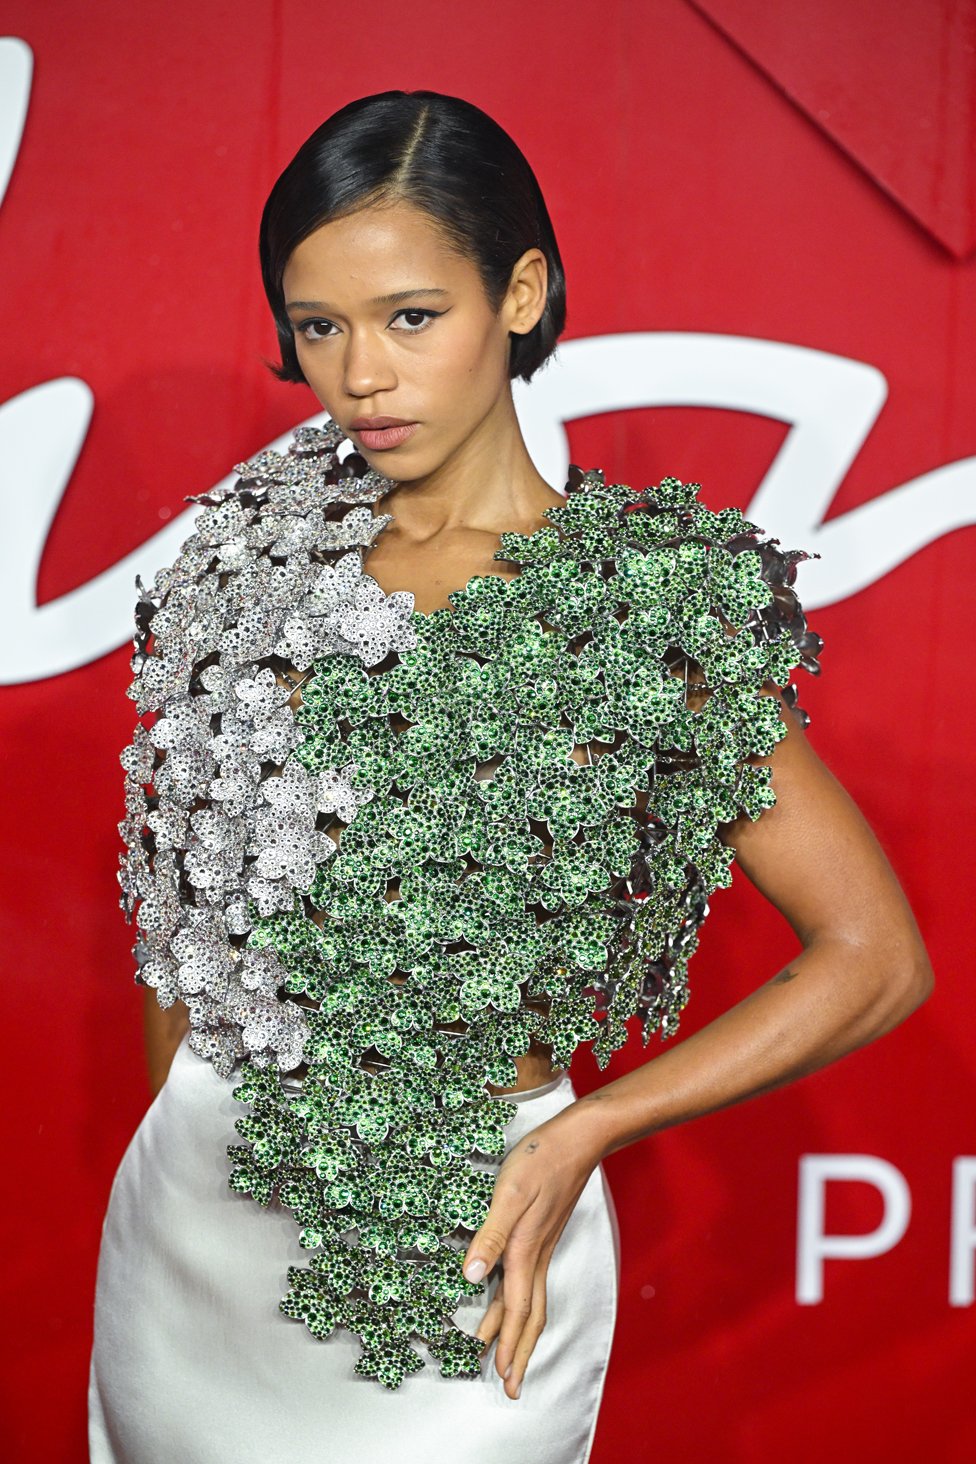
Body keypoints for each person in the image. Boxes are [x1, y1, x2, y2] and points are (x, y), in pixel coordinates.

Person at [87, 90, 933, 1463]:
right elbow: (181, 917)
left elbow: (875, 959)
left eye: (413, 316)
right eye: (321, 327)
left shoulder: (633, 609)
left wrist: (583, 1129)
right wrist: (174, 1132)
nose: (364, 374)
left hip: (467, 1240)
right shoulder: (239, 561)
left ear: (520, 293)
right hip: (191, 1242)